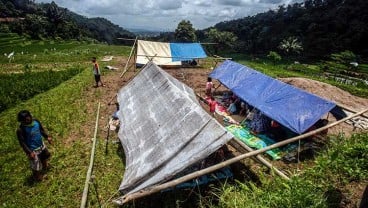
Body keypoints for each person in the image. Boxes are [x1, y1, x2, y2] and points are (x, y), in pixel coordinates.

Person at [16, 110, 52, 181]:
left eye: (28, 117)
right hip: (33, 150)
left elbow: (41, 130)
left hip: (41, 145)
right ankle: (37, 176)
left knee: (45, 155)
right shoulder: (21, 130)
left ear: (30, 115)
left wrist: (47, 137)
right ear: (21, 121)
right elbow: (22, 143)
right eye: (25, 119)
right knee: (35, 164)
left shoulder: (36, 122)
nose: (28, 119)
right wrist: (29, 152)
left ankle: (45, 166)